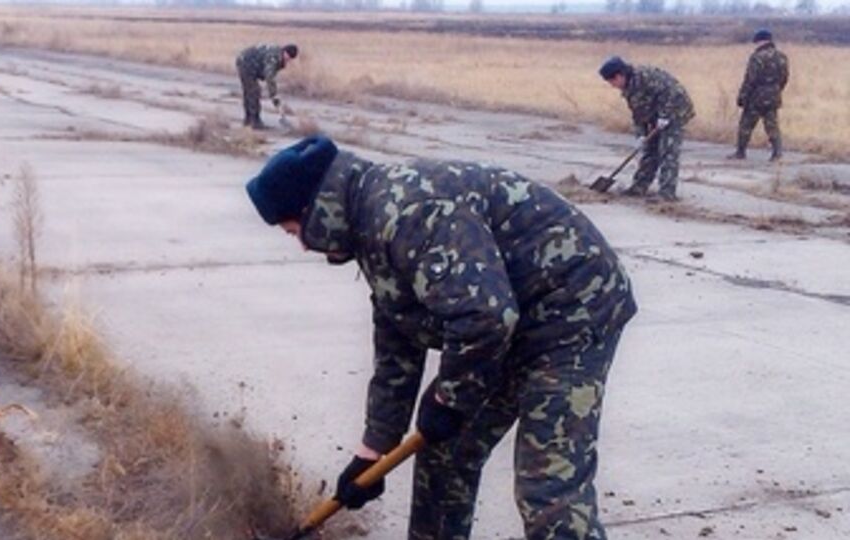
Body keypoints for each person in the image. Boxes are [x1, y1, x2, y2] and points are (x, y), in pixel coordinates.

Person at [245, 136, 637, 540]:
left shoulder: (406, 215)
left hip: (573, 310)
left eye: (295, 231)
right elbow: (398, 339)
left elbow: (485, 317)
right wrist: (373, 449)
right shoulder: (371, 222)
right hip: (510, 321)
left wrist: (450, 399)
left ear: (317, 210)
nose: (303, 245)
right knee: (445, 453)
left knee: (548, 486)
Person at [599, 56, 695, 202]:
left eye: (611, 81)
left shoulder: (646, 77)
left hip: (676, 111)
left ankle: (667, 194)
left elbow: (672, 92)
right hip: (656, 115)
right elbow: (638, 113)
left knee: (668, 151)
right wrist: (641, 135)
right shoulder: (629, 88)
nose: (612, 85)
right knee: (650, 149)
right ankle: (639, 187)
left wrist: (666, 115)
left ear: (619, 76)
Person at [729, 29, 789, 161]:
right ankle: (777, 153)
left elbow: (750, 79)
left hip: (756, 97)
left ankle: (740, 152)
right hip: (773, 95)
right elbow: (784, 78)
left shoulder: (757, 57)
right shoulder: (782, 57)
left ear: (760, 41)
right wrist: (776, 90)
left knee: (746, 125)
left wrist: (742, 96)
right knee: (772, 125)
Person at [235, 43, 298, 129]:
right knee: (253, 91)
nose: (288, 60)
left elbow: (270, 75)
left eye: (290, 59)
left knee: (250, 92)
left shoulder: (279, 57)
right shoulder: (274, 57)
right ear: (285, 52)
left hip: (251, 65)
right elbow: (269, 77)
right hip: (245, 63)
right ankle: (254, 121)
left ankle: (248, 120)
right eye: (288, 57)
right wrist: (274, 94)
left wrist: (273, 94)